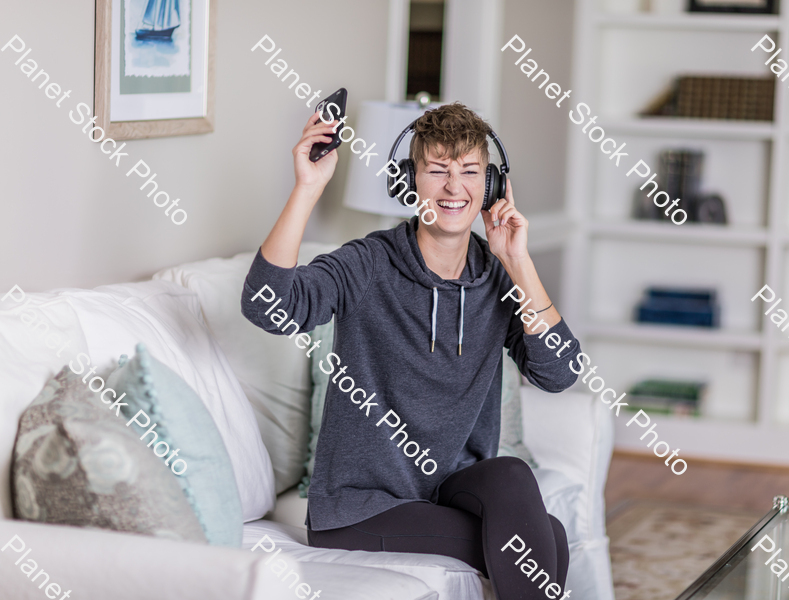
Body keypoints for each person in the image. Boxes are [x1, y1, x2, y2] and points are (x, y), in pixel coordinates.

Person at [241, 102, 581, 599]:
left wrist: (518, 259)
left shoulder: (497, 278)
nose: (453, 187)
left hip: (447, 491)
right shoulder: (369, 263)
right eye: (436, 171)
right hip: (361, 506)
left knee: (511, 475)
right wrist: (308, 188)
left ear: (490, 186)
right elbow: (268, 306)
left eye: (469, 172)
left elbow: (560, 372)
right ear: (409, 183)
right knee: (543, 541)